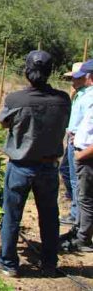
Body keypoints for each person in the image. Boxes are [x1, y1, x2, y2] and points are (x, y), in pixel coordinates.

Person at [0, 50, 70, 278]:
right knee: (49, 216)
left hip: (21, 166)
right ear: (50, 72)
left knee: (12, 215)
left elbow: (3, 123)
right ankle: (49, 263)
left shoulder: (16, 99)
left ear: (26, 71)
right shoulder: (63, 100)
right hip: (49, 167)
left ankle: (8, 262)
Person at [62, 59, 93, 253]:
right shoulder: (84, 94)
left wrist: (82, 154)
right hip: (80, 147)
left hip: (86, 153)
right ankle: (78, 230)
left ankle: (83, 239)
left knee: (86, 197)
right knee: (82, 194)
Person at [59, 62, 86, 226]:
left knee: (76, 178)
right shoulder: (79, 94)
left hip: (78, 140)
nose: (72, 82)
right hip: (72, 138)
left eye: (74, 78)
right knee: (65, 170)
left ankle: (76, 214)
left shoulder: (88, 95)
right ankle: (74, 204)